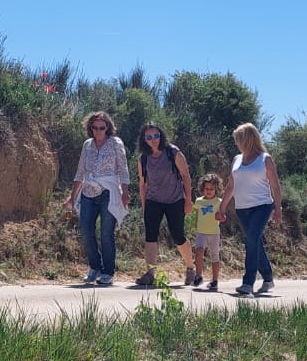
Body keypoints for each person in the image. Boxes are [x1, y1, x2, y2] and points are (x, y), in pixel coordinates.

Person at [65, 111, 130, 286]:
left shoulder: (115, 143)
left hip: (108, 191)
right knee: (86, 230)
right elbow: (80, 172)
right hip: (88, 191)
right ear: (90, 128)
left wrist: (125, 192)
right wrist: (72, 197)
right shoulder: (88, 145)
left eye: (102, 127)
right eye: (95, 127)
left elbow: (123, 169)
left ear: (108, 127)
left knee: (106, 233)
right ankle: (95, 267)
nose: (98, 131)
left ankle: (108, 271)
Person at [217, 123, 282, 296]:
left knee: (252, 238)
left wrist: (278, 208)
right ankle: (268, 278)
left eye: (238, 139)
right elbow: (231, 185)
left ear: (247, 139)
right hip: (242, 208)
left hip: (262, 206)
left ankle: (248, 283)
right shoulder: (237, 159)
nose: (236, 142)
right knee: (255, 242)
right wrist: (222, 207)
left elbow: (275, 186)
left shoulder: (265, 159)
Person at [134, 122, 198, 288]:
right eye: (149, 137)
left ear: (161, 135)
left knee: (178, 236)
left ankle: (191, 268)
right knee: (150, 235)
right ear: (144, 140)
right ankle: (150, 274)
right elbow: (143, 184)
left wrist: (188, 200)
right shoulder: (143, 159)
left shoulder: (173, 152)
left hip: (175, 199)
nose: (153, 139)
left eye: (156, 135)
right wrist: (144, 205)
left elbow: (185, 176)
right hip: (153, 200)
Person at [192, 173, 223, 291]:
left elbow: (222, 215)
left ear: (216, 189)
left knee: (214, 256)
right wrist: (196, 226)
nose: (209, 191)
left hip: (214, 232)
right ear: (202, 189)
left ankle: (214, 280)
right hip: (201, 232)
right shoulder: (199, 201)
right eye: (206, 189)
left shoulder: (218, 201)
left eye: (211, 189)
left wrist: (221, 217)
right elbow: (197, 215)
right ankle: (198, 275)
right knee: (199, 251)